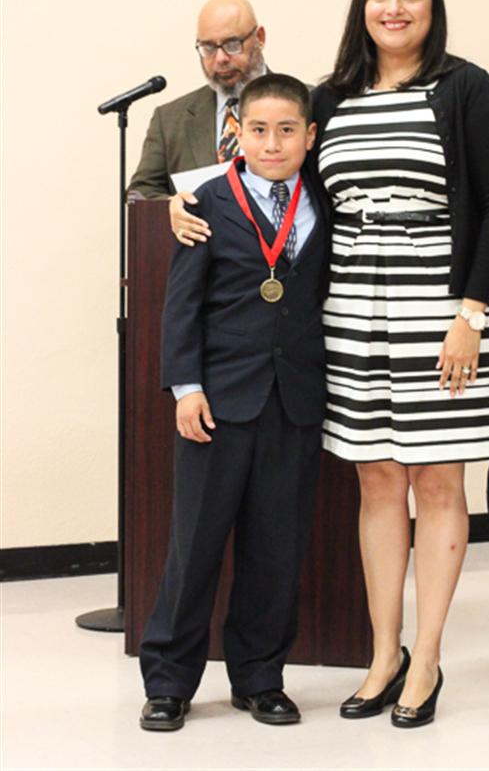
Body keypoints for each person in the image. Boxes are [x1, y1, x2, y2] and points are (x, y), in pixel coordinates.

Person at [307, 0, 489, 728]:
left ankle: (426, 657)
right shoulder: (331, 97)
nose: (392, 8)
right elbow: (282, 179)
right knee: (376, 480)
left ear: (432, 8)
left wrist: (471, 314)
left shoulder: (465, 87)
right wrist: (180, 202)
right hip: (353, 311)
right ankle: (383, 654)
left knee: (437, 482)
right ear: (361, 7)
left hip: (443, 313)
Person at [138, 74, 330, 731]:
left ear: (309, 136)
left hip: (294, 401)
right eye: (258, 130)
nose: (272, 143)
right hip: (217, 401)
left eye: (286, 130)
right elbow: (181, 305)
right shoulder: (206, 202)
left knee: (276, 548)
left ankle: (260, 677)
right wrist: (185, 387)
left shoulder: (324, 201)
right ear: (237, 134)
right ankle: (169, 681)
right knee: (194, 545)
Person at [127, 0, 267, 202]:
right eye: (208, 48)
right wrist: (173, 207)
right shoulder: (169, 119)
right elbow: (141, 193)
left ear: (260, 38)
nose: (220, 58)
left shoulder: (306, 102)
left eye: (232, 45)